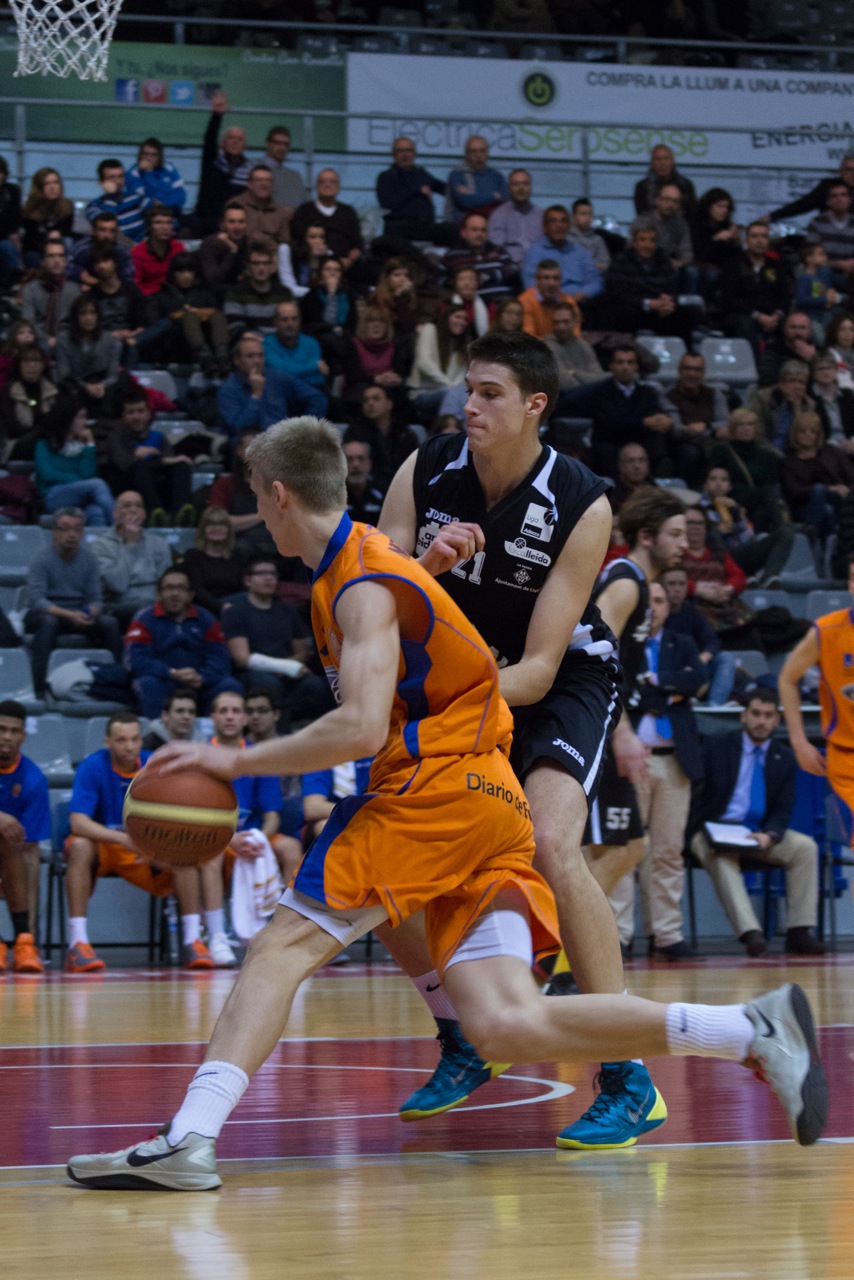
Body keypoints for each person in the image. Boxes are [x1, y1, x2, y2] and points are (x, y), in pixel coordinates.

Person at [65, 415, 827, 1190]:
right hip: (488, 798)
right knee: (506, 1023)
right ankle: (748, 1029)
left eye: (258, 499)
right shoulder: (374, 564)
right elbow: (412, 631)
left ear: (281, 496)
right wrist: (427, 568)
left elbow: (362, 727)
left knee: (280, 949)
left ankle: (189, 1138)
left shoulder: (362, 582)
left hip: (430, 793)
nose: (257, 515)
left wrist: (231, 758)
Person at [379, 334, 665, 1146]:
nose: (469, 405)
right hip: (459, 682)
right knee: (385, 860)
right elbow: (374, 602)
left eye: (490, 393)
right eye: (468, 390)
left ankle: (629, 1077)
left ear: (535, 405)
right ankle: (464, 1032)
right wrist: (425, 568)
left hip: (557, 682)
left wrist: (435, 705)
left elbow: (537, 671)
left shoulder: (581, 501)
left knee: (550, 844)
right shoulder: (424, 468)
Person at [62, 711, 217, 973]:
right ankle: (78, 943)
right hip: (107, 845)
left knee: (183, 849)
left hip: (146, 847)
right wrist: (124, 839)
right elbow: (78, 823)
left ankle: (193, 940)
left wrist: (154, 842)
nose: (129, 746)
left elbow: (176, 815)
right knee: (78, 845)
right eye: (121, 740)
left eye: (135, 739)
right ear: (107, 742)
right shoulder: (92, 766)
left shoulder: (155, 765)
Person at [608, 578, 704, 959]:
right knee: (622, 848)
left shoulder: (683, 643)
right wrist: (666, 692)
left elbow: (698, 679)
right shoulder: (622, 644)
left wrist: (654, 684)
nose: (654, 608)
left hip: (674, 761)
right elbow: (619, 690)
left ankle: (666, 933)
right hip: (633, 761)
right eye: (649, 601)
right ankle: (618, 933)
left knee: (668, 851)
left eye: (661, 601)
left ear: (668, 606)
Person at [692, 689, 824, 958]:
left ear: (777, 721)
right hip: (713, 830)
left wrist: (770, 834)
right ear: (744, 716)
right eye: (755, 714)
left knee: (805, 847)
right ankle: (751, 933)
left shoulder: (784, 757)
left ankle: (799, 932)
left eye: (768, 715)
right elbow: (697, 795)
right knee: (720, 856)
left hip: (757, 833)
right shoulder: (717, 746)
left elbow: (784, 807)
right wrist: (708, 828)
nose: (761, 721)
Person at [201, 689, 285, 968]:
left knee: (290, 848)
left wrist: (260, 838)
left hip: (250, 838)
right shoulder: (199, 757)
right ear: (213, 717)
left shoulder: (259, 757)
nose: (229, 717)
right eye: (223, 711)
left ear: (246, 718)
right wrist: (228, 839)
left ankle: (286, 937)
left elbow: (272, 816)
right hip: (211, 838)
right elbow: (193, 819)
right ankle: (218, 938)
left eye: (236, 711)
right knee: (211, 856)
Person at [221, 555, 331, 726]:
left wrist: (286, 667)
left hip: (287, 671)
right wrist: (283, 667)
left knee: (316, 684)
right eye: (262, 573)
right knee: (268, 683)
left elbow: (303, 650)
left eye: (273, 574)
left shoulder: (288, 610)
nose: (269, 578)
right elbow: (242, 658)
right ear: (247, 580)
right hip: (253, 673)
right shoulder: (235, 611)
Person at [24, 507, 122, 697]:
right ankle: (38, 689)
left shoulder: (90, 560)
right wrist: (70, 615)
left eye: (77, 529)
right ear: (55, 533)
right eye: (66, 528)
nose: (72, 534)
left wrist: (88, 613)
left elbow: (96, 599)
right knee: (48, 623)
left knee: (109, 623)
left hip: (78, 612)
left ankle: (117, 681)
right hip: (47, 613)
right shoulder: (40, 559)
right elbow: (37, 600)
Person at [124, 566, 242, 718]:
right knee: (148, 683)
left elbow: (220, 656)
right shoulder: (144, 618)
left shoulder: (206, 618)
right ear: (159, 593)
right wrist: (172, 673)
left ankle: (211, 732)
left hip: (200, 681)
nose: (175, 593)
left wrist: (202, 677)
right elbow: (136, 660)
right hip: (164, 679)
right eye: (169, 588)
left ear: (190, 594)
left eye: (181, 588)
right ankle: (157, 731)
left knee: (230, 686)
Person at [0, 700, 50, 975]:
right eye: (1, 729)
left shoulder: (33, 778)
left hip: (12, 860)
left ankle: (25, 941)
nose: (7, 737)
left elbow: (28, 839)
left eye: (14, 731)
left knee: (23, 850)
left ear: (23, 736)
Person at [105, 388, 194, 526]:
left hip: (158, 488)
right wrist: (157, 460)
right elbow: (124, 464)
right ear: (123, 417)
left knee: (181, 465)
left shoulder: (159, 438)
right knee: (140, 466)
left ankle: (181, 513)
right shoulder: (115, 438)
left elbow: (170, 463)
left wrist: (153, 458)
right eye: (131, 412)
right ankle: (154, 513)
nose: (136, 417)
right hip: (129, 489)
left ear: (148, 414)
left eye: (141, 411)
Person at [217, 331, 327, 438]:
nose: (257, 361)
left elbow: (317, 398)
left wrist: (303, 429)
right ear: (237, 360)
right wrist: (256, 395)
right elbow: (238, 429)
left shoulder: (275, 378)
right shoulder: (228, 389)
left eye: (260, 356)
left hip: (281, 439)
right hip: (251, 442)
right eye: (250, 356)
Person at [91, 491, 174, 629]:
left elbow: (167, 582)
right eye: (127, 506)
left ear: (144, 514)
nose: (134, 510)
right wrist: (130, 544)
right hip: (119, 605)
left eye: (138, 506)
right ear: (115, 514)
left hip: (156, 602)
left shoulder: (159, 544)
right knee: (147, 607)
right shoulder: (101, 546)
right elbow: (117, 585)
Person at [660, 563, 738, 706]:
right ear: (662, 587)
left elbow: (712, 641)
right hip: (665, 669)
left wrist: (701, 658)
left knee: (725, 658)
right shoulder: (656, 613)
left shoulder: (692, 612)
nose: (677, 589)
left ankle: (714, 706)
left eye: (682, 584)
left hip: (693, 667)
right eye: (671, 584)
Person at [34, 396, 115, 527]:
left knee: (97, 512)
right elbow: (48, 474)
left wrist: (90, 444)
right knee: (98, 484)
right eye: (81, 417)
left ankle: (103, 540)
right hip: (53, 496)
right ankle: (120, 527)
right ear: (68, 419)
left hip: (82, 497)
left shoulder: (84, 447)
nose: (85, 422)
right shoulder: (44, 444)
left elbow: (88, 474)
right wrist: (79, 480)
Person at [780, 410, 854, 541]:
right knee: (825, 505)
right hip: (805, 507)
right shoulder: (788, 462)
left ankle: (809, 538)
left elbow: (851, 477)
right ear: (795, 433)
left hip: (840, 501)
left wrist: (846, 490)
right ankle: (828, 544)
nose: (807, 435)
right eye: (802, 431)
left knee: (824, 497)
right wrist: (829, 488)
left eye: (812, 431)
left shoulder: (833, 452)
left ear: (818, 434)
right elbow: (794, 492)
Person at [154, 252, 230, 377]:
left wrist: (201, 313)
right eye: (181, 271)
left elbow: (215, 312)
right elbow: (161, 323)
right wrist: (188, 314)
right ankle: (205, 358)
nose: (186, 275)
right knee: (189, 316)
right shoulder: (162, 296)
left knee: (217, 315)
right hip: (175, 345)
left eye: (190, 271)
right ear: (173, 273)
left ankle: (222, 357)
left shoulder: (205, 294)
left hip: (208, 338)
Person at [719, 222, 792, 351]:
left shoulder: (777, 266)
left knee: (797, 324)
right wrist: (758, 316)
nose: (760, 241)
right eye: (755, 236)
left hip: (773, 316)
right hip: (742, 315)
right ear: (746, 240)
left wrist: (777, 315)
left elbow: (785, 296)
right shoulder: (733, 264)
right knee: (744, 324)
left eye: (764, 236)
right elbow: (730, 299)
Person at [193, 91, 251, 236]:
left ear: (245, 146)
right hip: (205, 223)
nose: (235, 142)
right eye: (231, 138)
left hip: (234, 226)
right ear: (222, 144)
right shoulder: (212, 162)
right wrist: (217, 116)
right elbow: (209, 140)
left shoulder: (250, 170)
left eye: (239, 139)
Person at [344, 383, 420, 490]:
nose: (370, 403)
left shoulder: (404, 433)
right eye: (366, 400)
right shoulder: (354, 433)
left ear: (389, 404)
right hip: (368, 489)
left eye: (376, 399)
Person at [53, 294, 121, 413]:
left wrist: (102, 385)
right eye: (83, 313)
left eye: (92, 313)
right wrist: (85, 386)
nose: (88, 318)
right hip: (76, 386)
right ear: (75, 317)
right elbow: (64, 373)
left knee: (123, 380)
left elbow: (113, 375)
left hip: (102, 386)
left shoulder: (111, 341)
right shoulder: (63, 339)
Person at [522, 205, 602, 304]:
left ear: (568, 226)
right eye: (553, 221)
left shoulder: (580, 251)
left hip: (580, 302)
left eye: (563, 221)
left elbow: (596, 282)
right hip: (548, 304)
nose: (559, 225)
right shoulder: (534, 252)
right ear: (545, 227)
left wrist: (582, 294)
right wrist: (560, 299)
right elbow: (530, 285)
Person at [179, 506, 247, 616]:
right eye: (211, 524)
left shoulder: (237, 556)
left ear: (228, 530)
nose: (217, 528)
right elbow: (197, 590)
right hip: (202, 608)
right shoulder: (193, 555)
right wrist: (221, 606)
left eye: (222, 524)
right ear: (203, 529)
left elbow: (242, 588)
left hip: (233, 607)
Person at [376, 137, 446, 244]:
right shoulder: (386, 177)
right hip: (399, 231)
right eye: (401, 151)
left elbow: (443, 188)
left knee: (450, 231)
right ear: (393, 154)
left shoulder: (421, 174)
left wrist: (458, 185)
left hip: (424, 229)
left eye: (409, 150)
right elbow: (387, 203)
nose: (405, 155)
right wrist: (416, 190)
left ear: (414, 153)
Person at [289, 170, 363, 271]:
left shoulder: (348, 212)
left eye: (332, 182)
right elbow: (297, 242)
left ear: (338, 187)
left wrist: (348, 261)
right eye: (323, 182)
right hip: (311, 266)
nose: (327, 185)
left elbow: (357, 243)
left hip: (344, 268)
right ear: (317, 186)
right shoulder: (304, 211)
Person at [407, 305, 472, 419]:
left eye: (465, 319)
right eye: (457, 317)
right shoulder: (430, 330)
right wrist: (450, 387)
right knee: (455, 396)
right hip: (422, 394)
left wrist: (454, 389)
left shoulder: (462, 346)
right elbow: (424, 363)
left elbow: (460, 379)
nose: (461, 322)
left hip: (449, 392)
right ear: (447, 317)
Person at [442, 212, 519, 305]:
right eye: (474, 230)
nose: (479, 234)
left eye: (483, 230)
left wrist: (488, 276)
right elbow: (439, 277)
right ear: (463, 232)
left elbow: (513, 269)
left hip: (505, 302)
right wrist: (461, 282)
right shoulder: (453, 255)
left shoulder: (498, 250)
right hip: (472, 304)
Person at [224, 240, 294, 338]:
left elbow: (292, 325)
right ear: (248, 265)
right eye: (255, 263)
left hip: (279, 343)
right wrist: (261, 342)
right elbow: (235, 327)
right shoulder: (236, 294)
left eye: (266, 263)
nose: (261, 268)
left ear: (272, 266)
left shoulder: (285, 293)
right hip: (248, 343)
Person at [20, 241, 80, 353]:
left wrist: (61, 340)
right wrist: (47, 339)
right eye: (51, 256)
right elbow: (29, 320)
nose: (56, 260)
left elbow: (77, 322)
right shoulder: (30, 289)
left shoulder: (74, 290)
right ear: (43, 261)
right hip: (38, 341)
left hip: (67, 342)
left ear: (65, 261)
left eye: (60, 256)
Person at [768, 151, 854, 223]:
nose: (852, 173)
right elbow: (803, 204)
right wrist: (773, 216)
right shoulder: (828, 186)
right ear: (840, 172)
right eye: (849, 170)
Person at [748, 359, 815, 451]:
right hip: (764, 450)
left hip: (793, 452)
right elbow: (757, 433)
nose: (797, 386)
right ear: (781, 383)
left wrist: (797, 408)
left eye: (802, 382)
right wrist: (776, 453)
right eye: (792, 381)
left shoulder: (809, 404)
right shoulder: (762, 398)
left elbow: (806, 437)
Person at [263, 300, 328, 389]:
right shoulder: (267, 345)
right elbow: (280, 375)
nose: (290, 324)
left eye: (294, 319)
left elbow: (319, 379)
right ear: (275, 322)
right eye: (284, 319)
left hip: (310, 393)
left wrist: (291, 374)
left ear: (300, 320)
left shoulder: (311, 343)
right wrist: (314, 366)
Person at [544, 301, 606, 395]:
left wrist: (575, 373)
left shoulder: (584, 345)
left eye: (566, 322)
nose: (561, 327)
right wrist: (590, 380)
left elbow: (601, 378)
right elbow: (563, 383)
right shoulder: (547, 346)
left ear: (575, 322)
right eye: (556, 322)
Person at [85, 159, 152, 244]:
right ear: (101, 183)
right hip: (113, 248)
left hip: (144, 247)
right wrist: (111, 196)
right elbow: (108, 229)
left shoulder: (136, 198)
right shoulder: (94, 206)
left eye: (121, 176)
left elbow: (157, 216)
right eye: (112, 177)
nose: (118, 181)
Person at [445, 136, 508, 225]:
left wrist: (475, 196)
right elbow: (466, 201)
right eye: (473, 151)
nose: (478, 156)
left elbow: (504, 202)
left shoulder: (497, 177)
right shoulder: (457, 175)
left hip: (491, 228)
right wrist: (493, 196)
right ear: (467, 154)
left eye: (482, 151)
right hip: (462, 229)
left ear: (487, 153)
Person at [486, 168, 542, 267]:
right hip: (510, 267)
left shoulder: (541, 215)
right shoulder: (499, 215)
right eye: (516, 184)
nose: (521, 188)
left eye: (525, 184)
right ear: (509, 188)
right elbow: (497, 248)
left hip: (540, 267)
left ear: (530, 187)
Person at [20, 167, 75, 268]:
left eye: (55, 183)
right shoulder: (29, 208)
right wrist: (49, 238)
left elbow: (66, 231)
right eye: (47, 184)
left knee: (68, 241)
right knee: (33, 256)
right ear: (39, 187)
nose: (52, 187)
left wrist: (57, 235)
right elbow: (32, 238)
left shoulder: (67, 206)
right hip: (37, 249)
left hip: (60, 245)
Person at [67, 211, 134, 289]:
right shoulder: (82, 248)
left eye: (112, 231)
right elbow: (66, 265)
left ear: (116, 233)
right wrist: (79, 274)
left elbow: (128, 276)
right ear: (93, 231)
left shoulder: (122, 252)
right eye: (102, 230)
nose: (107, 235)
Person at [227, 165, 291, 246]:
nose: (264, 184)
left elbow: (285, 243)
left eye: (268, 180)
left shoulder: (280, 213)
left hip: (270, 252)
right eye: (259, 180)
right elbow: (225, 235)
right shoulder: (235, 205)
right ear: (249, 184)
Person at [131, 205, 185, 297]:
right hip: (148, 298)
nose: (164, 227)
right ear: (149, 226)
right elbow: (136, 286)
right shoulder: (138, 253)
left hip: (174, 295)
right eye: (158, 222)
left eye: (168, 223)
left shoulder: (178, 248)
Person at [518, 260, 581, 340]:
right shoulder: (525, 302)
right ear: (537, 279)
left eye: (556, 278)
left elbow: (576, 336)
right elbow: (529, 338)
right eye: (546, 278)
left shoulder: (569, 302)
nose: (551, 283)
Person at [198, 204, 249, 302]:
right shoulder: (210, 243)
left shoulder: (247, 242)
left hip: (241, 293)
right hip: (214, 295)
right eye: (232, 222)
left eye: (241, 222)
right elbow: (213, 279)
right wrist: (232, 251)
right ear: (222, 224)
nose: (237, 227)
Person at [125, 137, 186, 217]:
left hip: (171, 212)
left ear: (160, 156)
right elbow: (145, 201)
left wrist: (163, 204)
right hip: (147, 216)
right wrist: (148, 173)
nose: (149, 158)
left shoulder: (168, 168)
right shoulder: (133, 174)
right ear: (140, 155)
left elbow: (180, 196)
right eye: (145, 154)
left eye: (154, 155)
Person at [633, 145, 697, 218]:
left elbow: (692, 214)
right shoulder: (642, 187)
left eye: (666, 158)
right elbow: (642, 216)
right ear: (651, 162)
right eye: (657, 159)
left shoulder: (685, 185)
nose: (662, 163)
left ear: (672, 161)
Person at [263, 125, 307, 211]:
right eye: (277, 143)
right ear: (268, 144)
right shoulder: (254, 170)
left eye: (286, 144)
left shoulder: (295, 176)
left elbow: (304, 202)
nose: (282, 148)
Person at [344, 438, 385, 523]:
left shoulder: (383, 493)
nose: (355, 464)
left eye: (361, 458)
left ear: (369, 463)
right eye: (349, 459)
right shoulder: (332, 496)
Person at [567, 197, 611, 272]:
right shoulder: (566, 239)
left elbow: (605, 264)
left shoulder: (598, 239)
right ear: (573, 216)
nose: (587, 218)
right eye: (583, 214)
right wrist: (593, 265)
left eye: (590, 214)